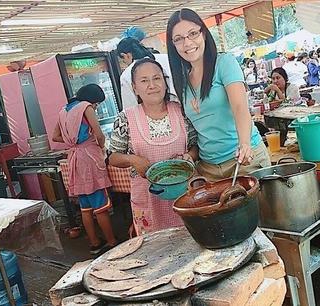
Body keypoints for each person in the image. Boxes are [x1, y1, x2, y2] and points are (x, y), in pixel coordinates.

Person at [166, 8, 270, 181]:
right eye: (179, 39)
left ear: (204, 34)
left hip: (244, 160)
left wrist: (244, 143)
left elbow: (239, 107)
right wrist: (189, 156)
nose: (187, 43)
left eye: (193, 34)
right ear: (173, 45)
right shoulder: (181, 82)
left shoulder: (224, 63)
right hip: (208, 169)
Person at [108, 58, 198, 235]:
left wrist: (190, 156)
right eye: (144, 80)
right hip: (147, 200)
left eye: (157, 78)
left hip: (184, 195)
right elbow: (112, 157)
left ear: (165, 82)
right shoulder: (125, 118)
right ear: (135, 88)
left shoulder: (181, 111)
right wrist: (132, 159)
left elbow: (195, 146)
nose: (152, 85)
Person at [52, 84, 117, 255]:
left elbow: (55, 136)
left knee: (85, 207)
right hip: (89, 158)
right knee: (100, 205)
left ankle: (94, 243)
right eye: (97, 103)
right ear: (92, 99)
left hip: (74, 158)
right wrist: (100, 147)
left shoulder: (63, 111)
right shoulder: (86, 107)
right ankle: (111, 241)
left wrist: (72, 142)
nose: (97, 106)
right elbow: (100, 134)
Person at [116, 38, 177, 110]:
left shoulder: (127, 75)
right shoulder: (167, 58)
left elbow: (130, 107)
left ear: (126, 55)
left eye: (123, 61)